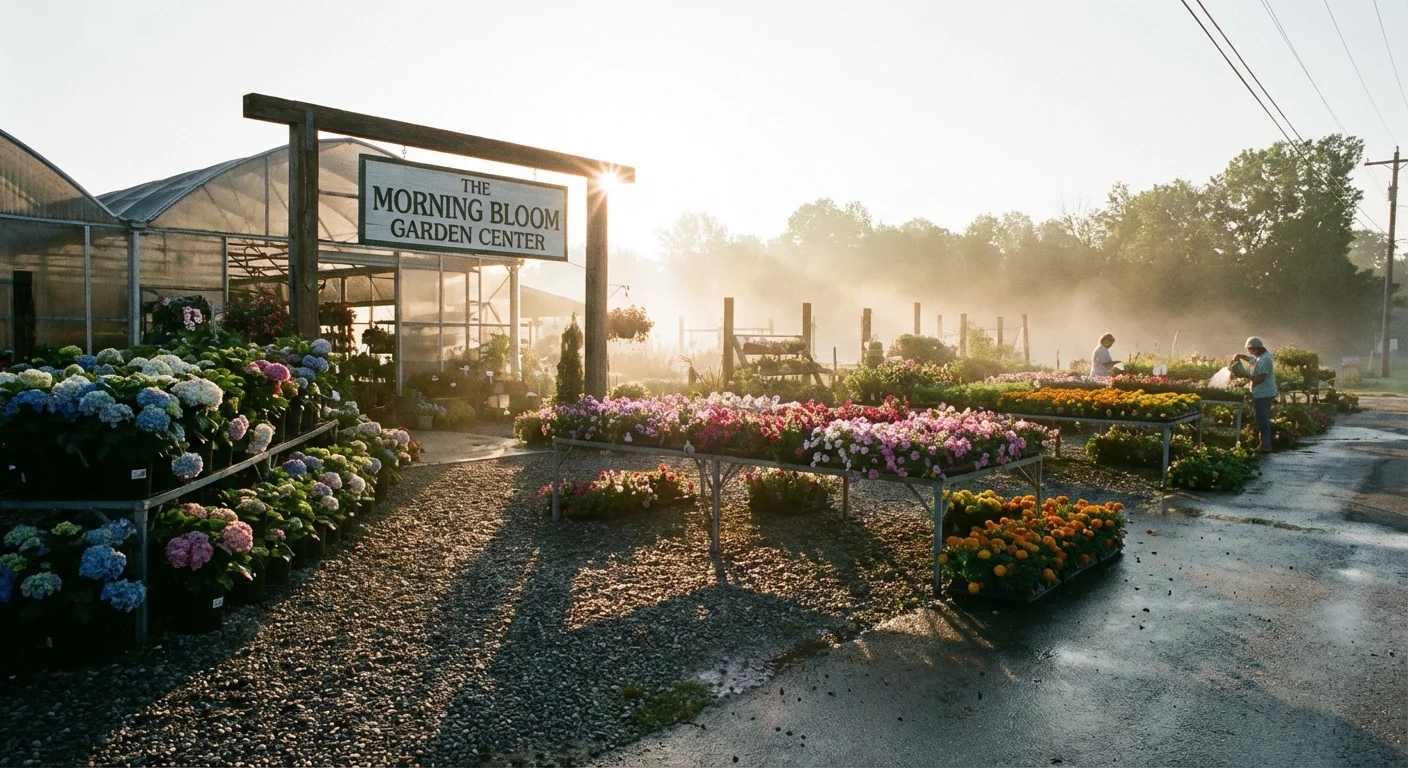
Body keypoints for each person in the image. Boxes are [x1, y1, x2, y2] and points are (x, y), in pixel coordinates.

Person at [1230, 336, 1277, 453]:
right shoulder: (1259, 357)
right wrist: (1240, 356)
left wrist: (1245, 374)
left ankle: (1265, 445)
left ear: (1256, 349)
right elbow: (1252, 360)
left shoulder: (1265, 360)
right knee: (1261, 417)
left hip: (1264, 393)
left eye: (1250, 349)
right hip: (1261, 393)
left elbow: (1259, 379)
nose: (1249, 352)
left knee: (1262, 419)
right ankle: (1264, 444)